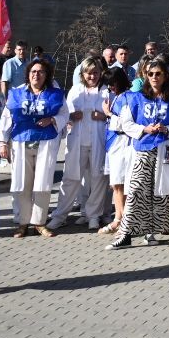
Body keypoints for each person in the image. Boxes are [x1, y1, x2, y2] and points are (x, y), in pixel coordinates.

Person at [109, 58, 169, 248]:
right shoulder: (137, 98)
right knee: (136, 189)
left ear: (165, 76)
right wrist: (144, 129)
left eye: (158, 74)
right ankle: (126, 233)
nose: (154, 77)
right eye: (150, 74)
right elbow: (126, 123)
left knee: (160, 190)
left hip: (165, 147)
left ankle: (151, 232)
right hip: (143, 147)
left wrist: (167, 129)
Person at [0, 57, 65, 238]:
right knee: (22, 184)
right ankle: (22, 223)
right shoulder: (17, 93)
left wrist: (52, 119)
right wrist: (3, 142)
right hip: (21, 142)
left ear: (46, 75)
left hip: (46, 142)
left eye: (41, 72)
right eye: (33, 71)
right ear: (28, 74)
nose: (36, 75)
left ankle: (39, 223)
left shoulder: (55, 93)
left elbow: (64, 114)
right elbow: (7, 117)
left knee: (43, 184)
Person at [51, 58, 110, 231]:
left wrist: (103, 116)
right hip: (77, 141)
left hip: (98, 141)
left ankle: (93, 216)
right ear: (82, 74)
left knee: (98, 179)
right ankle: (60, 215)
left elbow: (113, 115)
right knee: (70, 178)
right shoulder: (75, 90)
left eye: (95, 73)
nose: (92, 76)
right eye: (88, 73)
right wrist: (71, 116)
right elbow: (64, 113)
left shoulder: (106, 91)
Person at [99, 66, 135, 234]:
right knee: (116, 183)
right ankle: (119, 217)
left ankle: (122, 220)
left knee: (122, 183)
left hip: (123, 143)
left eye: (113, 83)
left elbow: (125, 123)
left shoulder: (129, 97)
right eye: (109, 84)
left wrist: (108, 113)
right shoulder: (118, 97)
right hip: (114, 143)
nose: (110, 87)